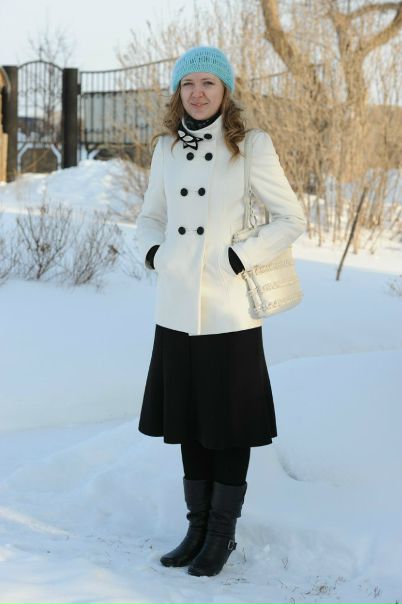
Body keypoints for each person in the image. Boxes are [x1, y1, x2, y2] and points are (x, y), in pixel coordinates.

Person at [136, 45, 307, 577]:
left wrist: (238, 257)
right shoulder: (165, 148)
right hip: (176, 309)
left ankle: (221, 535)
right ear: (177, 92)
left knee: (228, 425)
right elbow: (149, 217)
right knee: (189, 421)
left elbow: (291, 218)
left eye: (208, 83)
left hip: (229, 311)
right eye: (188, 84)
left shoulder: (251, 146)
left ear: (225, 91)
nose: (198, 93)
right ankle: (196, 528)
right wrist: (156, 254)